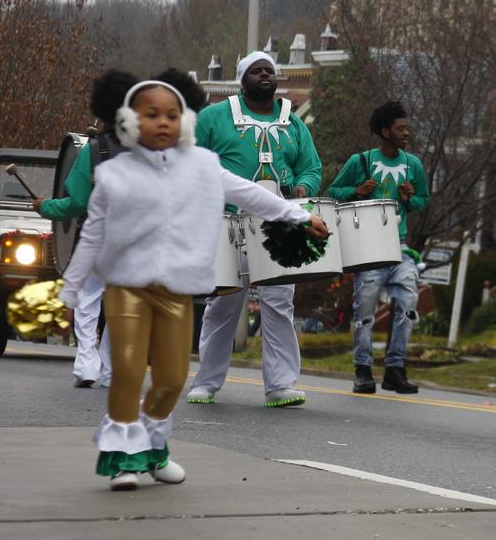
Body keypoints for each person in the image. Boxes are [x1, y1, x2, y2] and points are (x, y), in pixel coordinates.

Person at [58, 78, 327, 490]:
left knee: (170, 380)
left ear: (184, 121)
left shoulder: (201, 165)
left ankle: (154, 448)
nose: (163, 123)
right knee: (129, 374)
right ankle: (123, 460)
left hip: (175, 290)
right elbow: (92, 235)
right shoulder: (113, 175)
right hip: (127, 288)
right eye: (151, 115)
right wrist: (71, 288)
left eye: (171, 115)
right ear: (130, 122)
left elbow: (250, 193)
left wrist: (299, 215)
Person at [34, 70, 207, 389]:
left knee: (88, 300)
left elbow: (77, 203)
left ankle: (86, 362)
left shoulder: (94, 149)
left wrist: (45, 207)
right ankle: (110, 367)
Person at [187, 52, 323, 408]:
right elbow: (193, 160)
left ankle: (280, 384)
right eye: (256, 71)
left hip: (280, 226)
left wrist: (304, 188)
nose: (264, 75)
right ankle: (206, 382)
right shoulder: (214, 117)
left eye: (270, 71)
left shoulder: (293, 123)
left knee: (280, 303)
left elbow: (311, 167)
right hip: (227, 222)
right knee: (224, 302)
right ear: (242, 78)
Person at [328, 101, 430, 394]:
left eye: (407, 127)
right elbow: (335, 190)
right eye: (401, 128)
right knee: (365, 312)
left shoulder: (413, 165)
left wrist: (411, 199)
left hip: (398, 248)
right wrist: (356, 191)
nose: (407, 132)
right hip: (368, 250)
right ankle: (363, 371)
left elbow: (423, 199)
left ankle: (395, 369)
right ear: (385, 131)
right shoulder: (360, 161)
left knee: (409, 304)